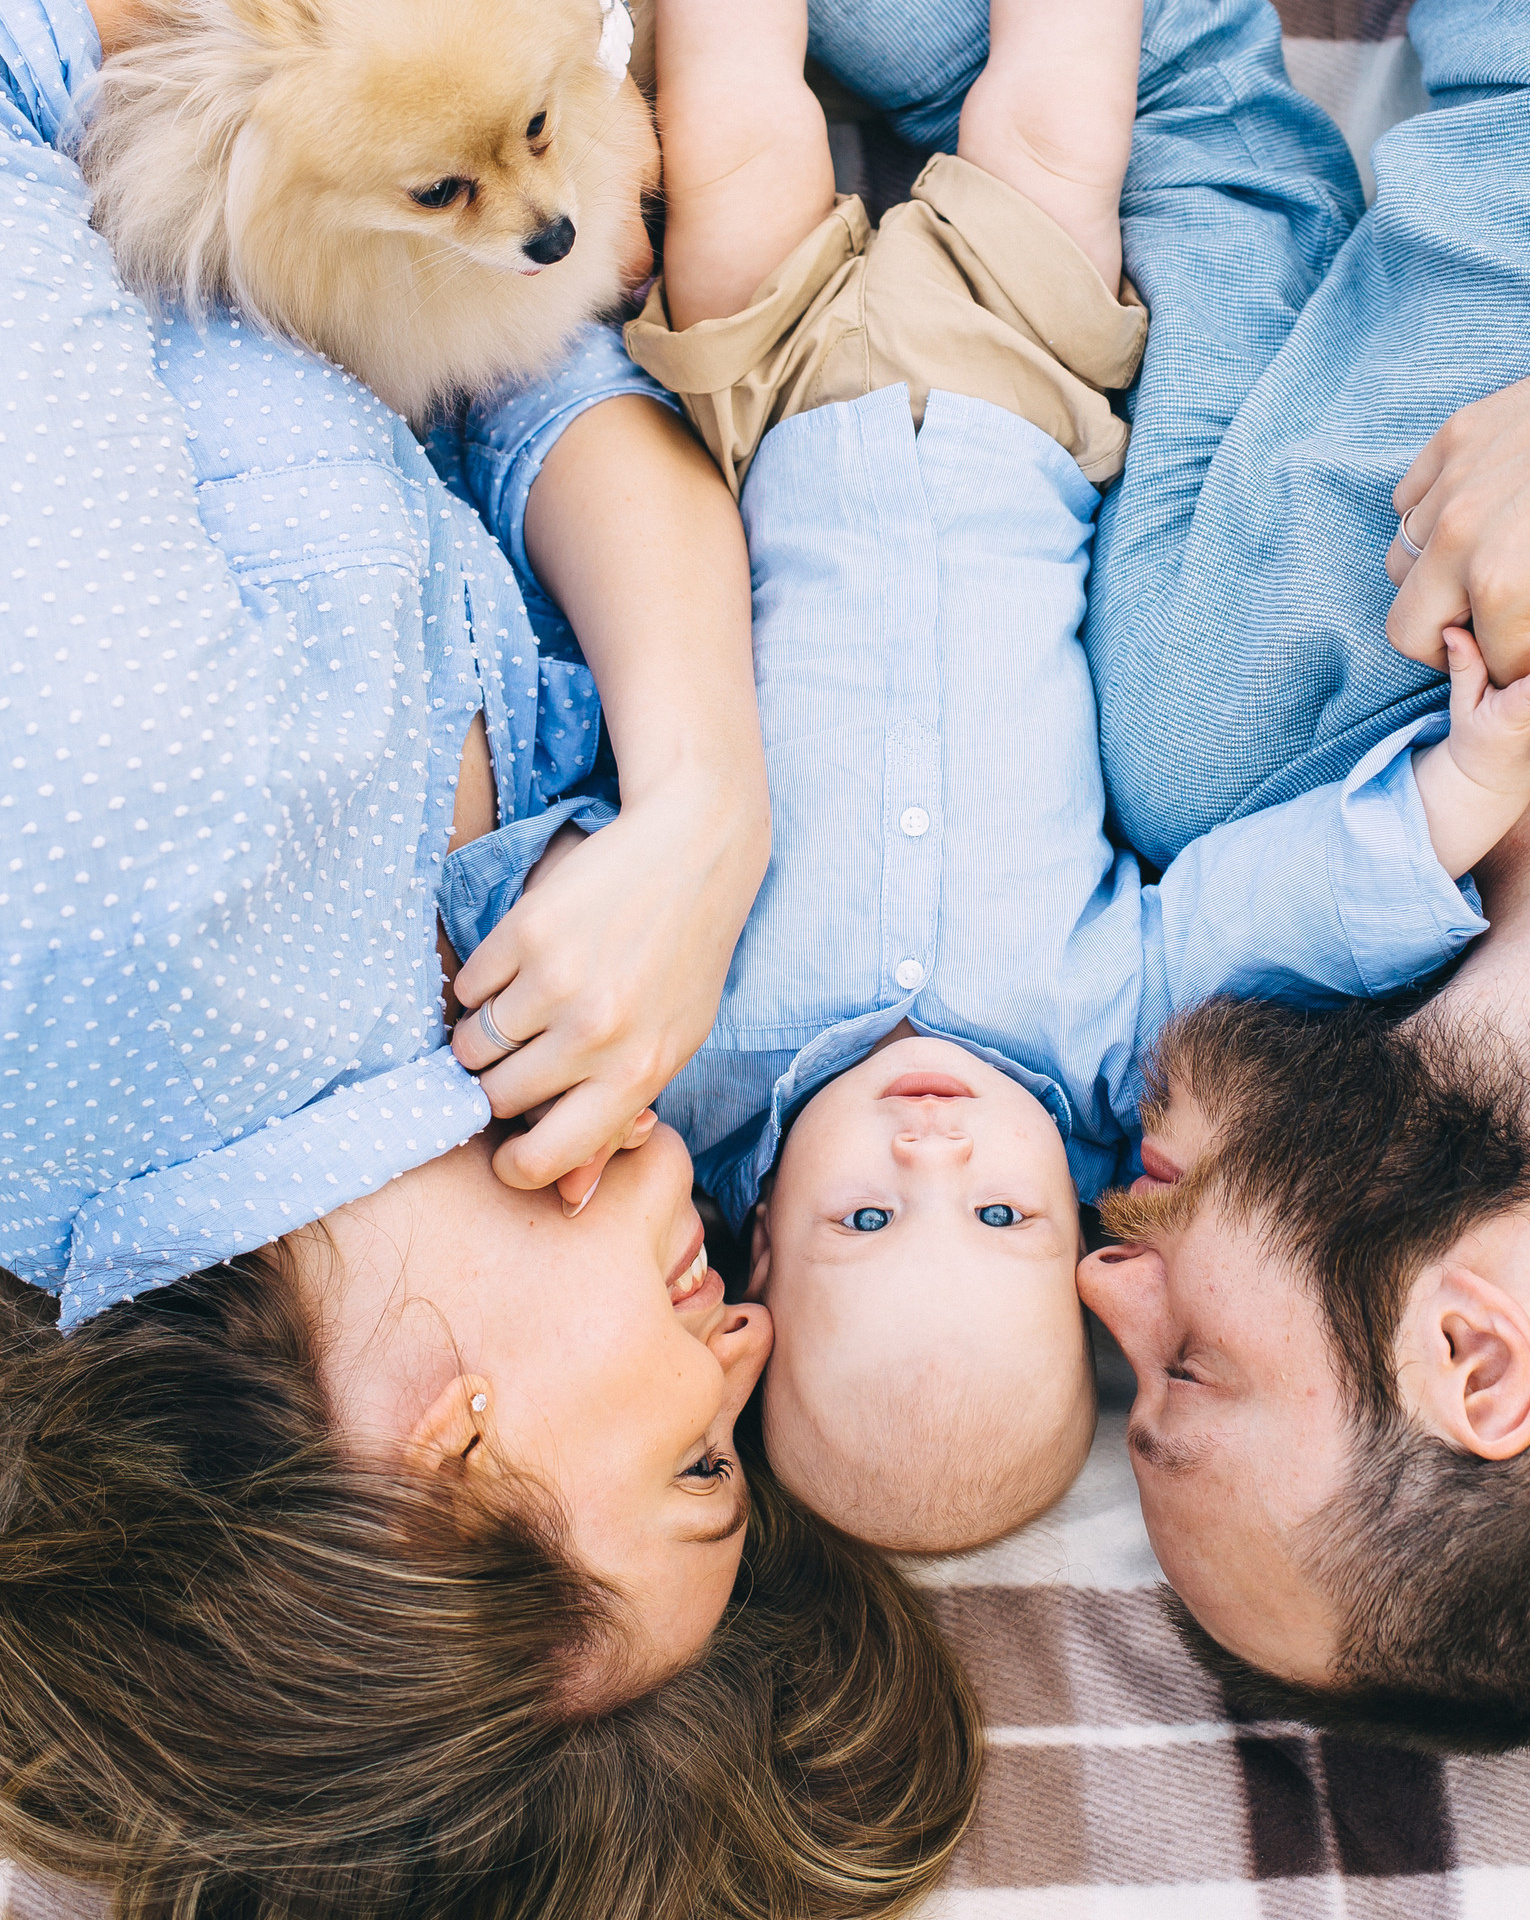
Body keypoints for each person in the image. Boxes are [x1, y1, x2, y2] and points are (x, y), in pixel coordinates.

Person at [807, 0, 1530, 1746]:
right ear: (1476, 1362)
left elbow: (1146, 100)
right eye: (1193, 1372)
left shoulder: (1208, 746)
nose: (1104, 1279)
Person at [0, 0, 978, 1907]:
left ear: (451, 1470)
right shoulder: (492, 1028)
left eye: (700, 1468)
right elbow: (517, 387)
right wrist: (703, 800)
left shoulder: (114, 879)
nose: (754, 1351)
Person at [613, 0, 1530, 1556]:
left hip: (754, 408)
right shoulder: (1108, 1040)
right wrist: (1461, 793)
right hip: (1018, 393)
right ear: (1078, 1234)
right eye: (1000, 1218)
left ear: (762, 1268)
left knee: (728, 126)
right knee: (1060, 121)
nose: (934, 1157)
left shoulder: (690, 1061)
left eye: (866, 1220)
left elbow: (594, 871)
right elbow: (1286, 908)